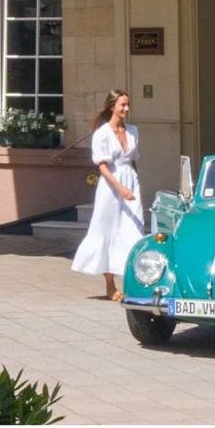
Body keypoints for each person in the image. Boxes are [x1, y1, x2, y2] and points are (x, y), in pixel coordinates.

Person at [71, 89, 145, 300]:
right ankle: (110, 285)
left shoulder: (133, 131)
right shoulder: (102, 133)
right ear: (112, 106)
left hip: (130, 180)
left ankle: (132, 282)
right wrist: (120, 188)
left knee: (134, 228)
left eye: (128, 105)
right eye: (122, 105)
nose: (126, 109)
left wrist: (134, 185)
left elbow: (133, 160)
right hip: (111, 186)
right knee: (108, 229)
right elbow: (102, 166)